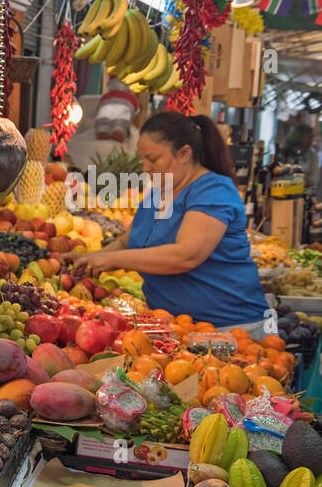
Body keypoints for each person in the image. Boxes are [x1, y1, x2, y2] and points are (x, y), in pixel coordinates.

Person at [75, 111, 269, 334]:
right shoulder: (158, 192)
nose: (146, 168)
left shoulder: (214, 190)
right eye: (143, 159)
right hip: (174, 328)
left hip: (230, 329)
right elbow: (125, 242)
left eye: (154, 159)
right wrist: (90, 259)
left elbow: (186, 255)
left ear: (185, 153)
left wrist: (111, 259)